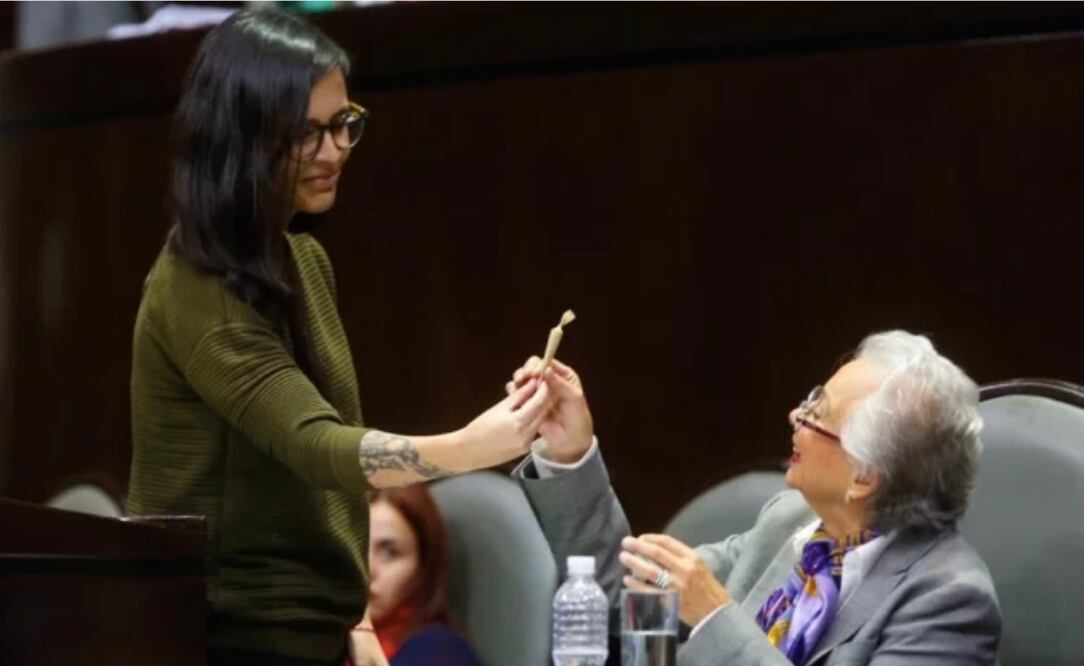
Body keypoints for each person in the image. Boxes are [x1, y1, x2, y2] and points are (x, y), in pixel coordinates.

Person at [126, 9, 553, 666]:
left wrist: (353, 623)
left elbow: (328, 480)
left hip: (307, 635)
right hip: (218, 638)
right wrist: (470, 447)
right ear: (242, 137)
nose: (332, 152)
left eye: (342, 125)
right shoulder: (193, 282)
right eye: (305, 134)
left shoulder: (304, 262)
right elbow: (315, 446)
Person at [507, 330, 1002, 665]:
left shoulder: (948, 600)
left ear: (864, 477)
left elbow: (711, 616)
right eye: (810, 398)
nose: (795, 416)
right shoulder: (791, 523)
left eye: (816, 414)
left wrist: (715, 618)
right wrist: (569, 450)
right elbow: (625, 595)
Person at [348, 486, 483, 666]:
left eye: (391, 552)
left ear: (422, 569)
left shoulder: (439, 651)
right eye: (355, 547)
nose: (367, 569)